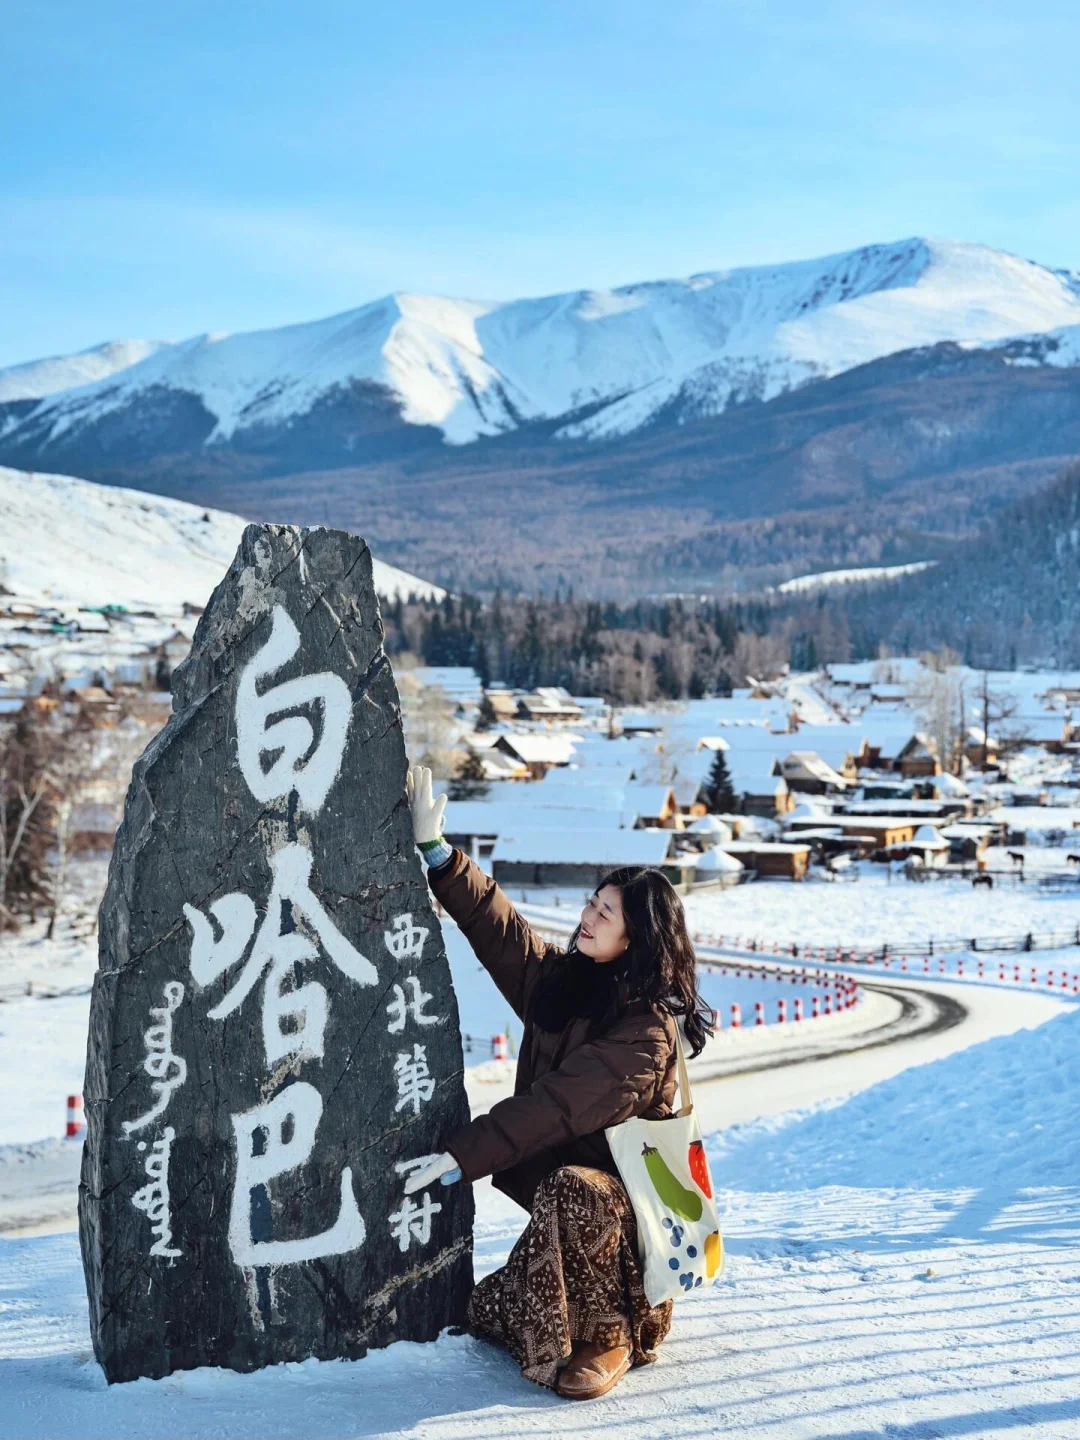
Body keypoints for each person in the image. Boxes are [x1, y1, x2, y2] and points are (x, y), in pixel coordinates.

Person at [403, 765, 713, 1401]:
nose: (588, 917)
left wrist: (465, 1155)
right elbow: (504, 936)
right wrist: (440, 857)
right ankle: (568, 1316)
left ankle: (613, 1334)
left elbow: (556, 1107)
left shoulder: (646, 1033)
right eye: (591, 904)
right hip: (570, 1211)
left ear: (637, 940)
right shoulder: (572, 985)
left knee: (576, 1188)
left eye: (605, 913)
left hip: (628, 1223)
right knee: (485, 1309)